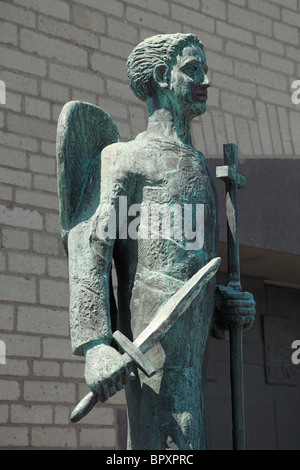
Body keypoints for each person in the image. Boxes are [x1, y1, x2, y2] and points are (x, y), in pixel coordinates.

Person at [67, 33, 255, 450]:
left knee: (192, 436)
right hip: (146, 344)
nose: (205, 78)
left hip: (189, 355)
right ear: (160, 76)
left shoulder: (201, 167)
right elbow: (91, 250)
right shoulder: (125, 157)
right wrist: (96, 346)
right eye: (192, 69)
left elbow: (191, 269)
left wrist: (224, 308)